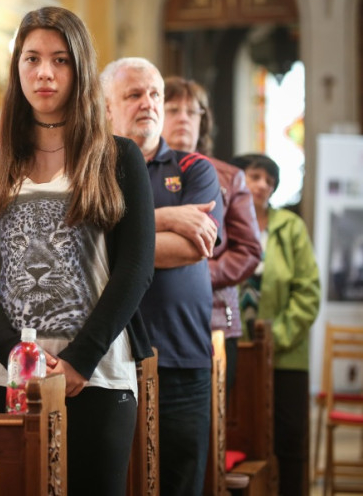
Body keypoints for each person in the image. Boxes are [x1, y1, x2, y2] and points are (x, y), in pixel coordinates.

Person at [0, 7, 156, 496]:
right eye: (32, 59)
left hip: (98, 374)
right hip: (6, 374)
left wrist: (79, 361)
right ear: (17, 68)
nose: (44, 72)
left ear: (80, 67)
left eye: (60, 60)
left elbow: (135, 268)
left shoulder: (119, 158)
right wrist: (16, 355)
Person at [101, 57, 224, 496]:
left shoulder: (194, 168)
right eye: (134, 94)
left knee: (180, 482)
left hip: (182, 354)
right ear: (106, 108)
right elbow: (87, 243)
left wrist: (117, 236)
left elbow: (193, 247)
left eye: (155, 94)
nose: (148, 103)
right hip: (107, 356)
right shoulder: (93, 171)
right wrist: (169, 217)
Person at [162, 76, 261, 393]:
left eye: (192, 112)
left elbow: (249, 250)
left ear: (203, 121)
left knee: (208, 416)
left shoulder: (229, 177)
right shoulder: (139, 171)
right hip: (152, 316)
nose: (183, 118)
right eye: (173, 109)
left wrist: (197, 272)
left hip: (214, 318)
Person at [230, 153, 320, 496]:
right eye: (255, 176)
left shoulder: (290, 227)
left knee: (289, 441)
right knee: (242, 440)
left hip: (286, 357)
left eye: (269, 180)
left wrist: (274, 339)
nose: (262, 185)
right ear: (238, 180)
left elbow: (308, 292)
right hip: (236, 354)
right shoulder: (226, 222)